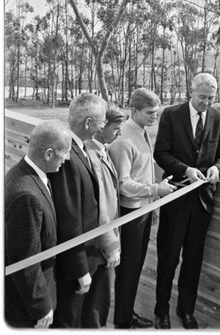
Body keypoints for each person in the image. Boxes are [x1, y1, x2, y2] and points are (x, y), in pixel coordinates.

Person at [153, 73, 220, 329]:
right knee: (168, 257)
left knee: (193, 260)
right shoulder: (171, 115)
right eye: (202, 97)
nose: (207, 103)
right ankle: (161, 311)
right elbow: (160, 153)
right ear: (191, 91)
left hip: (202, 202)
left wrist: (217, 168)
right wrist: (186, 170)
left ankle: (186, 310)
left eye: (211, 98)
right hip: (175, 198)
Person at [109, 88, 176, 329]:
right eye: (150, 113)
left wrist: (153, 205)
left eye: (157, 113)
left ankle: (127, 313)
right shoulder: (123, 139)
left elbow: (144, 169)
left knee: (135, 267)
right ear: (133, 110)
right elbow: (123, 184)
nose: (154, 117)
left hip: (143, 210)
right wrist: (155, 191)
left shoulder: (142, 132)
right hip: (130, 214)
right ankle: (123, 321)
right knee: (128, 269)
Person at [5, 120, 72, 328]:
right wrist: (41, 306)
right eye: (65, 153)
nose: (68, 158)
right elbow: (25, 260)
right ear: (49, 154)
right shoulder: (26, 195)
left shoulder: (27, 173)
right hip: (26, 308)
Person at [48, 92, 107, 328]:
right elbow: (69, 217)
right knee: (68, 322)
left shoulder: (80, 148)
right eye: (101, 122)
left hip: (84, 259)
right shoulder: (67, 155)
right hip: (71, 268)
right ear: (88, 123)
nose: (102, 127)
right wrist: (80, 269)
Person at [81, 103, 127, 327]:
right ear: (101, 127)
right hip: (99, 247)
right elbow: (101, 206)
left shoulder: (101, 151)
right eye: (116, 127)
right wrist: (111, 246)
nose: (119, 133)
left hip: (98, 246)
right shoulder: (93, 156)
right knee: (97, 307)